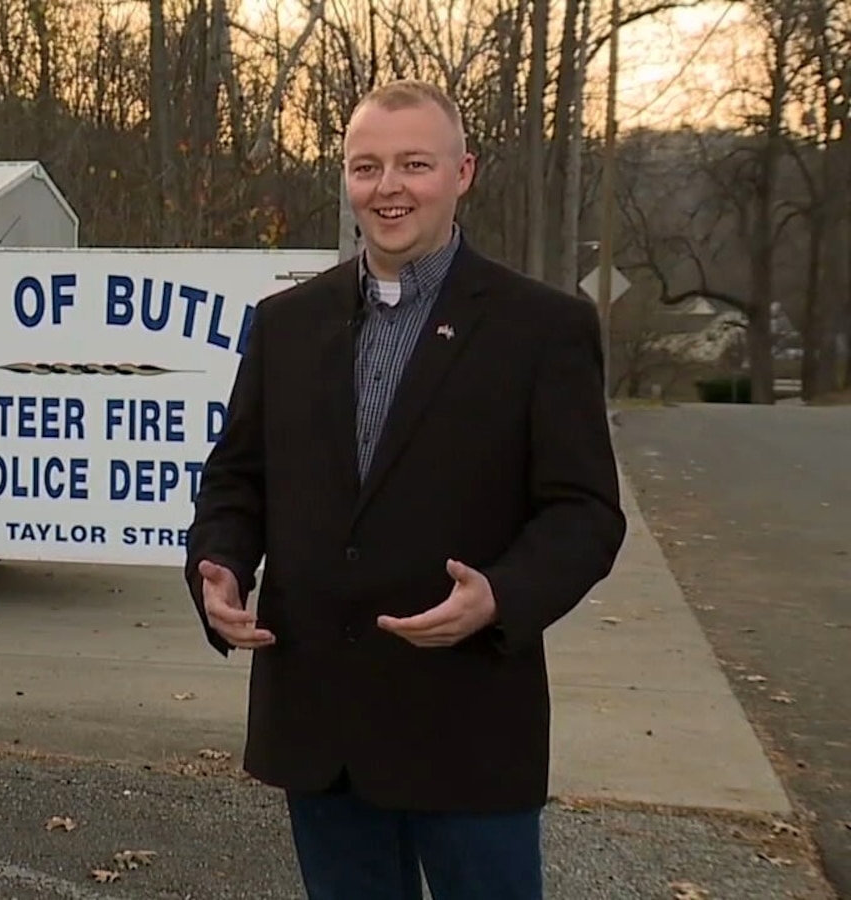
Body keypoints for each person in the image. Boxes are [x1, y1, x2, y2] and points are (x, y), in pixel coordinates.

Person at [183, 78, 627, 900]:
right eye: (366, 167)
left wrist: (499, 594)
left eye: (414, 164)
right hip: (319, 723)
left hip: (466, 726)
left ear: (464, 172)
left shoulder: (543, 329)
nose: (388, 188)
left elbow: (586, 512)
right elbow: (237, 478)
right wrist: (219, 561)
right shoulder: (287, 323)